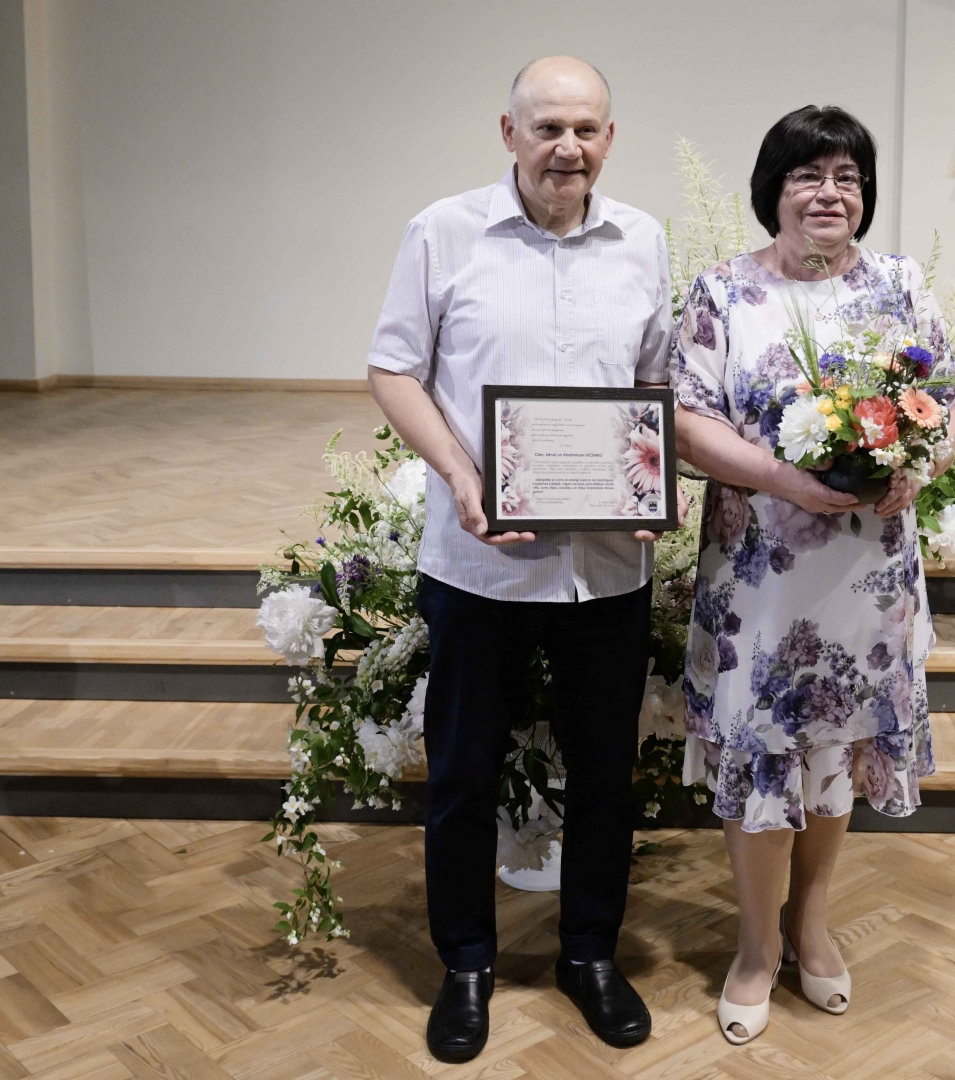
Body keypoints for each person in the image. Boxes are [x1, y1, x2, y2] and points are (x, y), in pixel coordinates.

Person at [366, 56, 670, 1062]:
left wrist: (645, 483)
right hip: (478, 565)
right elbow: (393, 368)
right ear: (509, 133)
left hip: (607, 570)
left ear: (609, 139)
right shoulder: (442, 231)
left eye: (585, 129)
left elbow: (653, 384)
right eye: (547, 128)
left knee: (605, 775)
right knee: (461, 773)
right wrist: (461, 475)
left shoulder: (643, 241)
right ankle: (466, 965)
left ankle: (590, 954)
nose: (566, 148)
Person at [669, 105, 955, 1045]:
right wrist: (783, 477)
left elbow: (951, 399)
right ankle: (756, 945)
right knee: (766, 747)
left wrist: (922, 464)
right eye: (808, 175)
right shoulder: (724, 293)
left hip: (866, 577)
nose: (829, 193)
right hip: (762, 575)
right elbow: (686, 421)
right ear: (775, 190)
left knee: (838, 744)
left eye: (847, 177)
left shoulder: (899, 286)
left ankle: (811, 922)